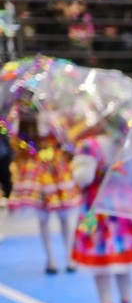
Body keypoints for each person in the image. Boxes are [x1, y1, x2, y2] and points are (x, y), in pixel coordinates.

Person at [68, 139, 132, 303]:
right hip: (125, 204)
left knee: (101, 263)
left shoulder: (89, 146)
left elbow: (84, 178)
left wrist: (76, 167)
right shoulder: (129, 140)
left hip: (100, 206)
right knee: (123, 259)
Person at [8, 113, 82, 274]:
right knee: (43, 218)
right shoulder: (26, 119)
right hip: (37, 170)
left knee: (64, 217)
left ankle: (70, 257)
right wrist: (29, 145)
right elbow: (16, 143)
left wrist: (58, 128)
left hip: (56, 168)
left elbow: (67, 141)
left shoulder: (56, 117)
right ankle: (50, 259)